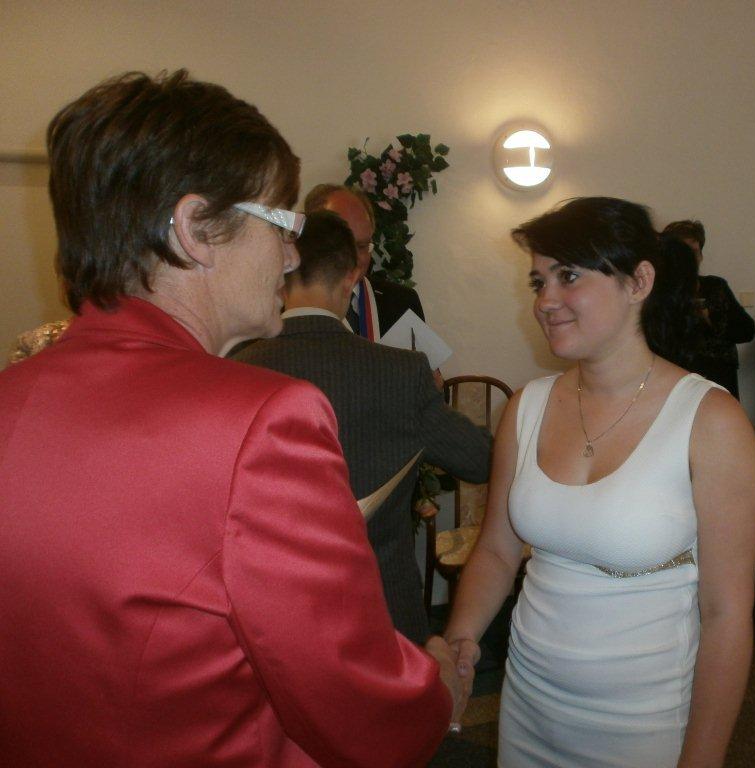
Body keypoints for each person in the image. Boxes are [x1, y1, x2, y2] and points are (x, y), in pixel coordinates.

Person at [0, 70, 461, 768]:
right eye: (281, 223)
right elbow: (362, 712)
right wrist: (440, 691)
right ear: (195, 230)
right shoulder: (261, 421)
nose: (292, 254)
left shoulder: (13, 397)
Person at [443, 197, 755, 768]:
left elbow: (726, 615)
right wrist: (462, 639)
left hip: (644, 721)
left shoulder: (710, 420)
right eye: (538, 281)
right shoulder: (526, 407)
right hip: (529, 704)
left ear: (639, 281)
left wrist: (703, 758)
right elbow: (496, 550)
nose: (545, 301)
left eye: (568, 276)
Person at [232, 210, 492, 643]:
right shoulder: (402, 373)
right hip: (383, 613)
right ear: (351, 277)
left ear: (282, 270)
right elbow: (480, 460)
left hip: (276, 618)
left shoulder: (237, 369)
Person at [304, 183, 425, 339]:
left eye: (362, 246)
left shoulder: (402, 303)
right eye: (342, 245)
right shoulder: (286, 306)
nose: (353, 257)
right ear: (311, 240)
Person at [662, 220, 755, 397]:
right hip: (677, 383)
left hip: (719, 381)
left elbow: (747, 331)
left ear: (701, 256)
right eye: (682, 252)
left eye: (694, 252)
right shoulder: (657, 293)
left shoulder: (715, 287)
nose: (688, 259)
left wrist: (710, 316)